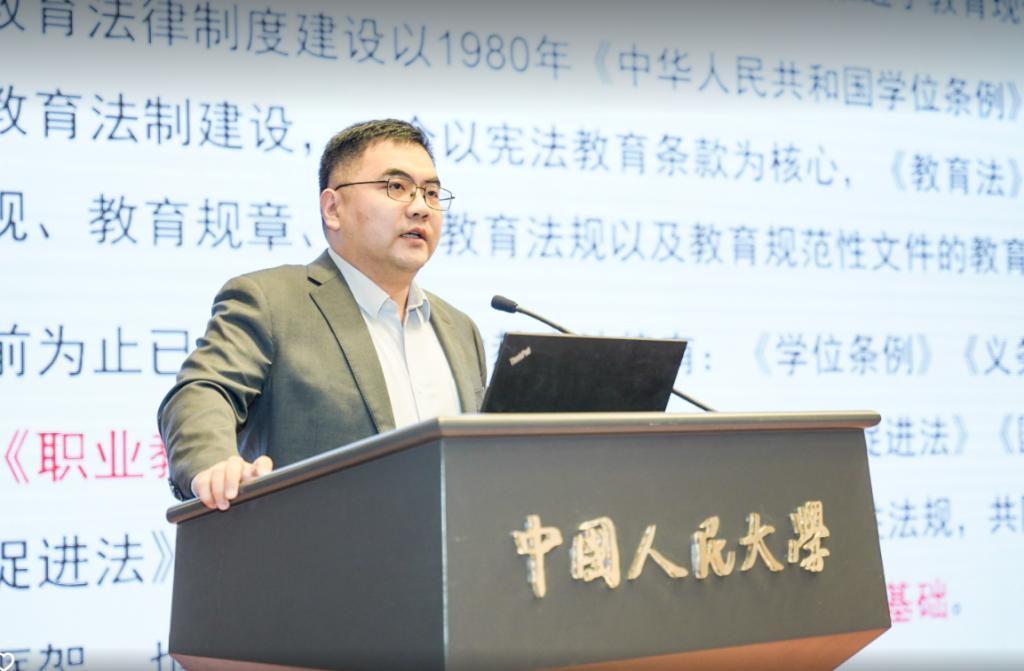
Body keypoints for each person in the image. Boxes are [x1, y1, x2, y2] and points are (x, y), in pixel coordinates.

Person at [158, 119, 487, 511]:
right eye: (396, 187)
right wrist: (214, 464)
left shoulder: (460, 329)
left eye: (431, 193)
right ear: (333, 208)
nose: (421, 208)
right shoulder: (271, 303)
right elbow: (203, 390)